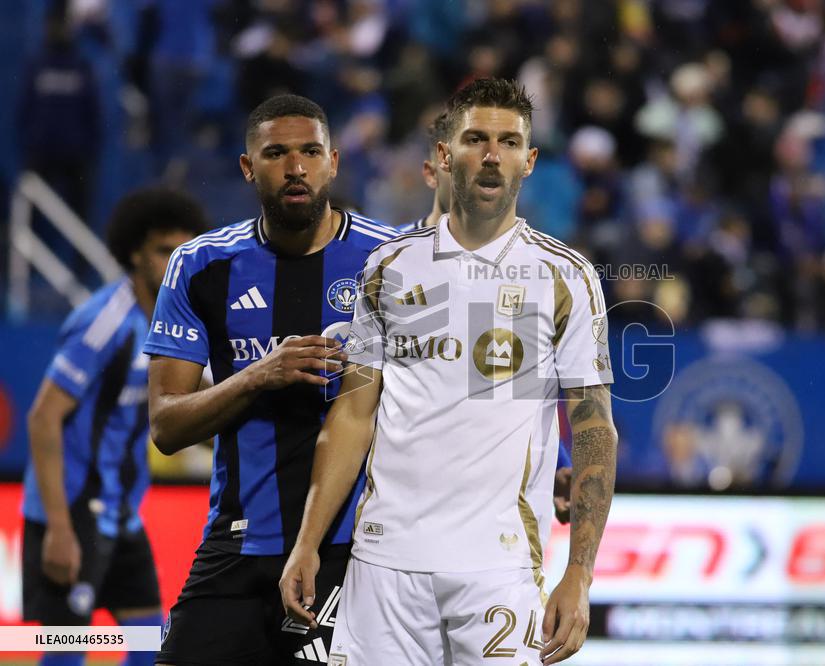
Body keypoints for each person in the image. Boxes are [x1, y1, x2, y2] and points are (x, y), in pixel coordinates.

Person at [281, 77, 618, 665]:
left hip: (500, 568)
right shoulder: (388, 267)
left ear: (530, 161)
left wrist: (579, 576)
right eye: (476, 139)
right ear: (443, 155)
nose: (493, 156)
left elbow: (593, 430)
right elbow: (355, 412)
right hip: (383, 565)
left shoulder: (564, 275)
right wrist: (307, 543)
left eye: (510, 142)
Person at [142, 94, 398, 665]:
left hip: (350, 551)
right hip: (236, 544)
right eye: (277, 153)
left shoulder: (391, 260)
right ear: (247, 166)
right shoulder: (200, 266)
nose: (296, 167)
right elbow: (165, 425)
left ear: (333, 161)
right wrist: (259, 375)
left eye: (310, 152)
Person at [21, 188, 209, 666]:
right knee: (65, 654)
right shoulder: (105, 322)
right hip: (72, 514)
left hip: (124, 518)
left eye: (183, 251)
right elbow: (42, 417)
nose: (175, 263)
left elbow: (190, 412)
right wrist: (59, 529)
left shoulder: (178, 327)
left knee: (154, 648)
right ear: (134, 253)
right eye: (164, 250)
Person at [402, 110, 576, 522]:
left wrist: (557, 463)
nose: (483, 165)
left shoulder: (517, 272)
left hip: (488, 517)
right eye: (468, 150)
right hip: (400, 509)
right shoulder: (388, 264)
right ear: (437, 167)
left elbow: (506, 387)